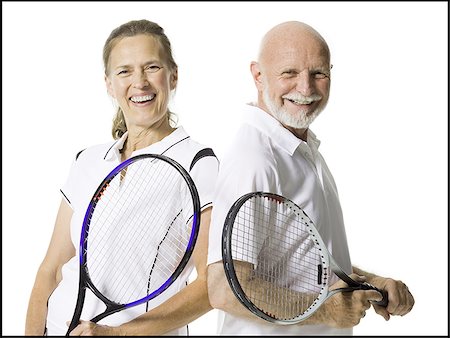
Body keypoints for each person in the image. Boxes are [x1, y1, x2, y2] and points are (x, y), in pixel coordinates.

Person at [206, 21, 414, 335]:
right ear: (258, 75)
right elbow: (225, 289)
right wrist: (326, 309)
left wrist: (374, 283)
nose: (305, 88)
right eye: (289, 73)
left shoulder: (301, 147)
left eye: (318, 73)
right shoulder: (254, 159)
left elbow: (306, 259)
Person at [25, 19, 218, 336]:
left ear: (174, 76)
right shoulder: (87, 160)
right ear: (109, 84)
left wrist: (117, 334)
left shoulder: (197, 163)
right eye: (124, 71)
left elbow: (213, 285)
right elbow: (50, 269)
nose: (139, 82)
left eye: (151, 67)